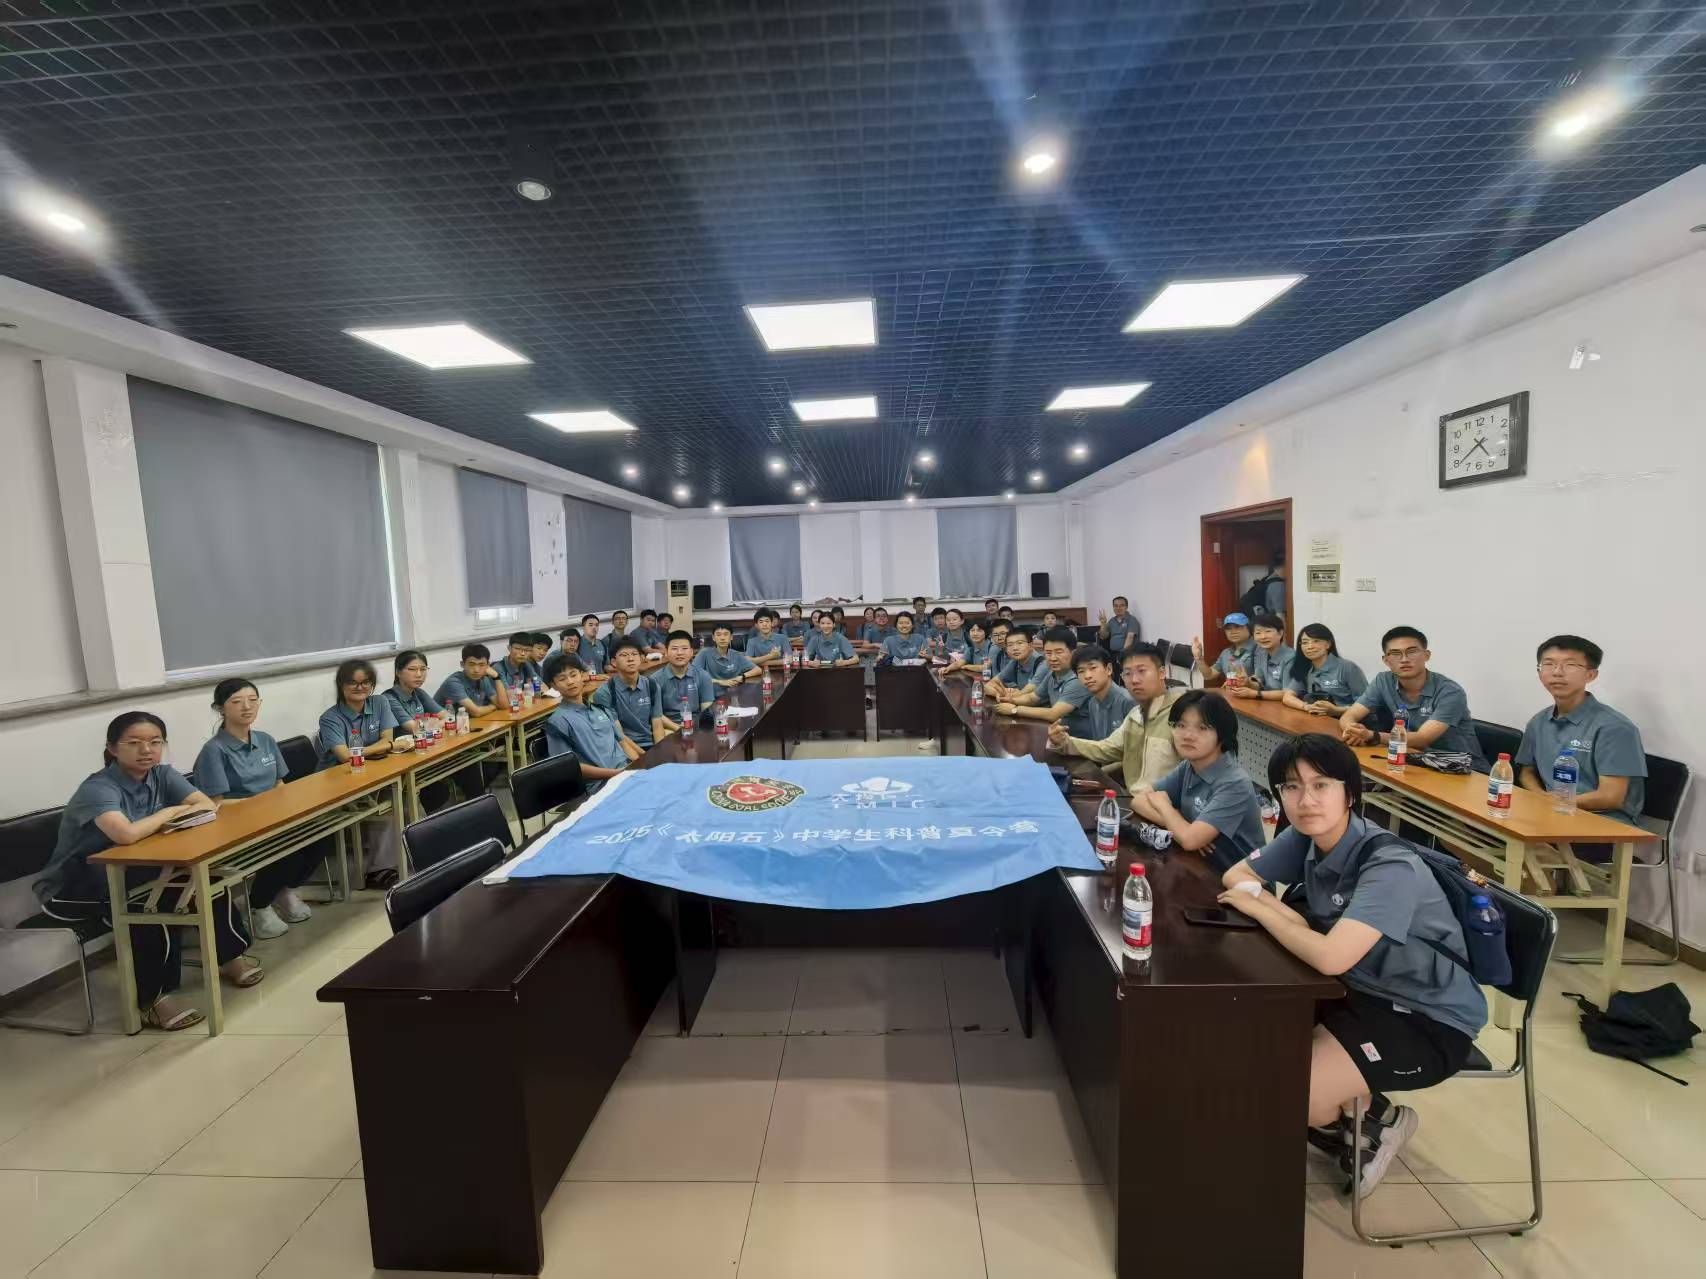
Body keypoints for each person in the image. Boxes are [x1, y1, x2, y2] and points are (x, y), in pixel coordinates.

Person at [1218, 734, 1486, 1194]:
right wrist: (1290, 918)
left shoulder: (1388, 864)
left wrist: (1265, 910)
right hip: (1355, 989)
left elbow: (1330, 956)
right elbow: (1236, 875)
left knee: (1284, 1092)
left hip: (1426, 1017)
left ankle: (1371, 1126)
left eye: (1321, 785)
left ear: (1350, 794)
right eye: (1291, 787)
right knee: (1239, 1038)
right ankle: (1365, 1112)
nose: (1305, 800)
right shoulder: (1304, 836)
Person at [36, 712, 255, 1031]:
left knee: (206, 880)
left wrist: (167, 816)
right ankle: (154, 999)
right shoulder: (98, 788)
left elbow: (207, 805)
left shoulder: (162, 774)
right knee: (152, 905)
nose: (146, 750)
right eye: (134, 743)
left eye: (155, 742)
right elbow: (125, 834)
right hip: (75, 887)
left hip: (135, 871)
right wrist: (171, 811)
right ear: (113, 748)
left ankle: (231, 957)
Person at [193, 679, 320, 941]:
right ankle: (259, 905)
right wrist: (262, 805)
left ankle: (282, 891)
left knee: (321, 834)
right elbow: (215, 804)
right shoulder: (213, 751)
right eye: (237, 702)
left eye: (253, 700)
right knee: (288, 849)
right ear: (220, 708)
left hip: (273, 818)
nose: (247, 707)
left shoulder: (265, 740)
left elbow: (279, 783)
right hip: (236, 827)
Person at [1516, 635, 1647, 826]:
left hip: (1602, 821)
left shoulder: (1615, 728)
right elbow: (1527, 771)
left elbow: (1611, 797)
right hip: (1551, 811)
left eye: (1570, 665)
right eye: (1549, 664)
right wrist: (1540, 797)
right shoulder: (1538, 722)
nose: (1557, 672)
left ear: (1591, 675)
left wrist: (1554, 803)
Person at [1128, 690, 1264, 871]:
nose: (1188, 735)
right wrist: (1182, 828)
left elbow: (1190, 840)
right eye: (1181, 725)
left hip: (1241, 878)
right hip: (1201, 865)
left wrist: (1166, 807)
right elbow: (1138, 801)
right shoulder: (1189, 766)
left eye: (1202, 728)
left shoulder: (1235, 783)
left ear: (1222, 735)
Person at [1340, 627, 1487, 768]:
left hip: (1461, 768)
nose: (1404, 659)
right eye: (1395, 653)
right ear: (1386, 660)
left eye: (1412, 652)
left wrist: (1372, 736)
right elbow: (1350, 715)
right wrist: (1352, 731)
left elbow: (1422, 739)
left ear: (1426, 655)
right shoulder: (1383, 681)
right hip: (1414, 759)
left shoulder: (1450, 692)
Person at [318, 658, 404, 889]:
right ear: (341, 685)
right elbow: (345, 757)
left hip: (372, 773)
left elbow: (388, 739)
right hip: (338, 782)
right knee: (391, 805)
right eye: (353, 683)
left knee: (405, 798)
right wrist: (385, 746)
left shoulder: (379, 702)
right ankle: (378, 871)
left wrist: (378, 747)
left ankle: (410, 855)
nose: (360, 687)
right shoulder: (330, 717)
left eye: (366, 682)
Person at [1049, 643, 1183, 791]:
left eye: (1142, 671)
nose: (1134, 680)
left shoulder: (1181, 714)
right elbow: (1107, 748)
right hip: (1133, 796)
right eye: (1128, 673)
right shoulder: (1136, 714)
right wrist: (1063, 742)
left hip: (1160, 801)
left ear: (1162, 673)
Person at [542, 652, 639, 789]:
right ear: (554, 685)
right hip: (601, 785)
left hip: (628, 774)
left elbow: (623, 743)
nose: (570, 682)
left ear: (582, 676)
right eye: (562, 679)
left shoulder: (601, 710)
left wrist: (640, 766)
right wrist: (616, 774)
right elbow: (565, 766)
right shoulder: (557, 722)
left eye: (573, 675)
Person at [1003, 639, 1134, 736]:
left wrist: (1014, 710)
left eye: (1093, 668)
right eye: (1081, 671)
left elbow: (1130, 754)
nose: (1087, 676)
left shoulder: (1128, 702)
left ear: (1109, 669)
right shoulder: (1094, 702)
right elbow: (1101, 746)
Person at [384, 650, 456, 812]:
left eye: (423, 669)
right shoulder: (389, 698)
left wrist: (430, 723)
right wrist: (433, 723)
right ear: (398, 672)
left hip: (423, 752)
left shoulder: (419, 693)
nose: (419, 674)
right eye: (412, 669)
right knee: (438, 790)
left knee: (465, 766)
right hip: (402, 761)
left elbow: (449, 716)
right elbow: (416, 728)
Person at [591, 636, 668, 749]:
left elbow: (657, 725)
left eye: (634, 654)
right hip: (624, 749)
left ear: (642, 658)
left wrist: (659, 752)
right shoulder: (605, 693)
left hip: (650, 744)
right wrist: (643, 756)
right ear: (613, 662)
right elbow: (619, 736)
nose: (630, 659)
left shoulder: (652, 685)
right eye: (624, 655)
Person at [1283, 624, 1368, 716]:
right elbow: (1287, 697)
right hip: (1319, 719)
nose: (1310, 646)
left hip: (1347, 720)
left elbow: (1367, 704)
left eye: (1316, 641)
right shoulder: (1305, 667)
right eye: (1305, 642)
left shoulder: (1347, 667)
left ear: (1328, 644)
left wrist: (1336, 710)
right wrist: (1306, 706)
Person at [1226, 612, 1295, 702]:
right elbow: (1259, 683)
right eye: (1258, 633)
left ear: (1280, 633)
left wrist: (1254, 694)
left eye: (1268, 631)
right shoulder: (1261, 653)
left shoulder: (1291, 657)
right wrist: (1247, 682)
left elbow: (1288, 693)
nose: (1263, 637)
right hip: (1267, 703)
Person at [655, 630, 713, 727]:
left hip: (696, 726)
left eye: (684, 648)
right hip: (668, 727)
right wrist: (677, 728)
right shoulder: (655, 679)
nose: (679, 653)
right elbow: (656, 715)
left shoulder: (703, 676)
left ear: (691, 652)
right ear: (666, 652)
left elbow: (706, 710)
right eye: (674, 649)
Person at [437, 643, 504, 717]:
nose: (476, 670)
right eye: (471, 664)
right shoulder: (453, 683)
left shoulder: (483, 679)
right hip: (446, 723)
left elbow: (503, 705)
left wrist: (496, 677)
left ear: (488, 665)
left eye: (481, 665)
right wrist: (493, 706)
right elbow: (476, 712)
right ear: (462, 664)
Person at [1191, 614, 1257, 688]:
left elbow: (1263, 682)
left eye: (1238, 627)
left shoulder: (1259, 649)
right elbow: (1209, 675)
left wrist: (1246, 683)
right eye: (1228, 629)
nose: (1233, 632)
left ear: (1249, 628)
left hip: (1253, 694)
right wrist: (1199, 658)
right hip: (1231, 693)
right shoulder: (1226, 652)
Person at [984, 626, 1044, 701]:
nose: (1015, 648)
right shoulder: (1015, 661)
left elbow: (1024, 694)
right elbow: (990, 684)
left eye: (1020, 643)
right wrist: (999, 693)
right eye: (1010, 645)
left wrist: (1004, 694)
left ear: (1031, 645)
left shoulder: (1042, 664)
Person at [695, 623, 760, 686]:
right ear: (713, 637)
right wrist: (720, 682)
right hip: (711, 692)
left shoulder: (737, 655)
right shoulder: (704, 653)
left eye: (725, 634)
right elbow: (693, 675)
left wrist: (742, 677)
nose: (722, 638)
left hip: (734, 691)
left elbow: (758, 670)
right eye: (718, 635)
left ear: (731, 637)